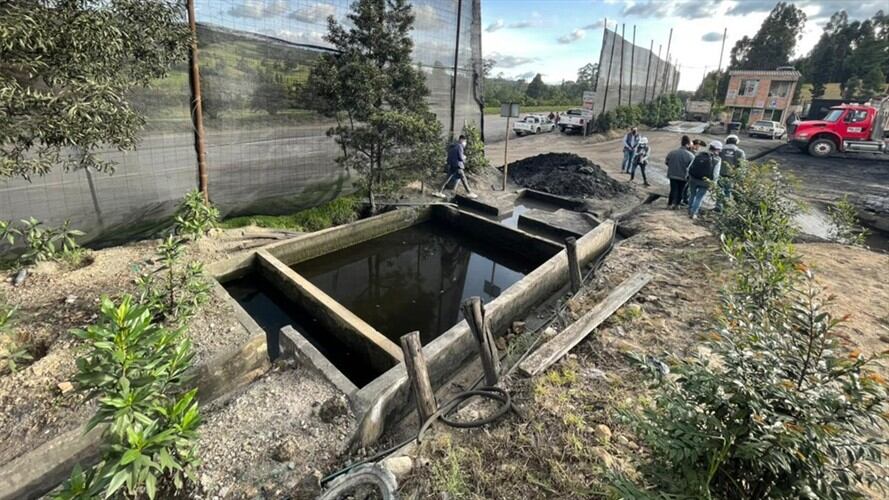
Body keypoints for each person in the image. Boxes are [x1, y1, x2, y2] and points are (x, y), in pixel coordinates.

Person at [687, 141, 722, 219]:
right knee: (699, 197)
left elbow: (690, 166)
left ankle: (689, 209)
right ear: (717, 149)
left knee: (692, 194)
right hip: (705, 182)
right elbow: (716, 174)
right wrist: (714, 184)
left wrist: (688, 176)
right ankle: (693, 212)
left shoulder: (699, 154)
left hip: (693, 178)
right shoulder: (717, 159)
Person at [665, 135, 695, 209]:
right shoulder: (691, 155)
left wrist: (672, 167)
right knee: (681, 190)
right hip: (683, 176)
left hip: (672, 174)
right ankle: (677, 205)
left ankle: (669, 204)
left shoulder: (672, 152)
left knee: (673, 189)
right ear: (688, 145)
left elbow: (666, 162)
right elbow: (692, 167)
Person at [717, 134, 746, 210]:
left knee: (719, 190)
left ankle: (718, 206)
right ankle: (726, 208)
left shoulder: (720, 150)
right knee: (728, 191)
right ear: (736, 142)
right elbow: (742, 166)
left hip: (720, 174)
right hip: (731, 176)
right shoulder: (740, 152)